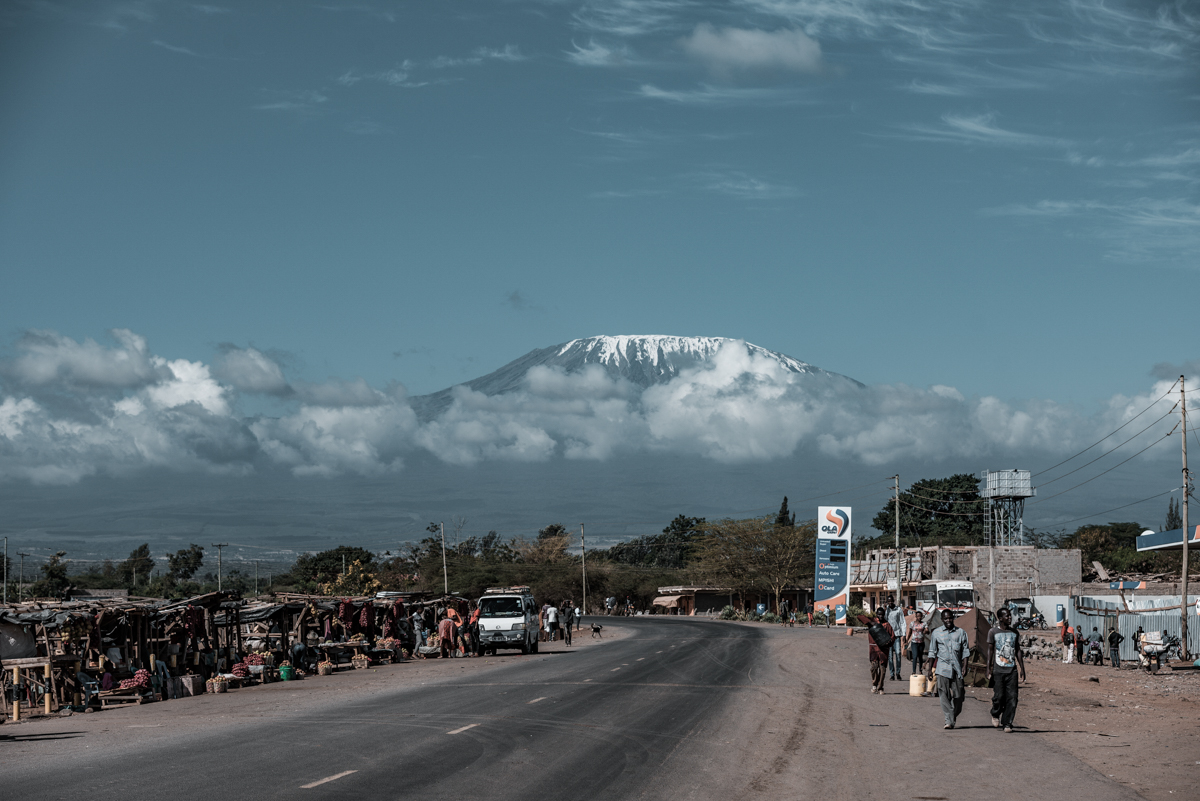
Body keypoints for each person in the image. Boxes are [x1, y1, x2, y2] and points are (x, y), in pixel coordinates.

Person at [926, 609, 970, 729]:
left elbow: (965, 652)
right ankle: (948, 720)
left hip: (957, 669)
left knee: (959, 696)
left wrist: (965, 666)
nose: (948, 620)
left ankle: (952, 716)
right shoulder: (936, 633)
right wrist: (930, 670)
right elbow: (932, 652)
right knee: (943, 694)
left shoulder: (961, 633)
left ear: (953, 618)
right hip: (942, 669)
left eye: (950, 618)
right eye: (945, 619)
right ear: (942, 620)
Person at [987, 607, 1026, 733]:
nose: (1010, 617)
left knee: (1012, 697)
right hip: (998, 670)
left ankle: (1007, 723)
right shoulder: (993, 632)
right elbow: (990, 651)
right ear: (1000, 618)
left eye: (1010, 615)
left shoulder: (1014, 633)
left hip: (1011, 670)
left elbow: (1018, 651)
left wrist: (1022, 668)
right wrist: (988, 668)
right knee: (999, 696)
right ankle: (995, 713)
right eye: (1007, 616)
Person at [856, 611, 893, 695]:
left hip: (883, 650)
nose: (881, 616)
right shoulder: (872, 621)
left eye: (882, 614)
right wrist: (871, 622)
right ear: (876, 614)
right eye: (879, 614)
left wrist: (889, 643)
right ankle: (874, 685)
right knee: (874, 667)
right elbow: (859, 616)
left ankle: (880, 687)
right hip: (874, 649)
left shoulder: (887, 625)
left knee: (882, 669)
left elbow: (892, 637)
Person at [905, 610, 929, 684]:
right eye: (917, 616)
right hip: (914, 643)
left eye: (920, 616)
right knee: (915, 656)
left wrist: (925, 631)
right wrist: (907, 640)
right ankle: (914, 671)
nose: (919, 617)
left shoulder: (924, 623)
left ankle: (920, 670)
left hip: (921, 643)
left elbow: (927, 630)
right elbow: (909, 632)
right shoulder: (912, 624)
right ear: (915, 616)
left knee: (920, 657)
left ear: (922, 617)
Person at [887, 600, 907, 681]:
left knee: (898, 653)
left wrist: (904, 634)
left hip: (897, 635)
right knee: (890, 656)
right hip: (888, 636)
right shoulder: (887, 610)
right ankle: (892, 674)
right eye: (888, 601)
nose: (890, 602)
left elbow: (902, 622)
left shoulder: (898, 610)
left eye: (891, 600)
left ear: (893, 601)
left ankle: (898, 673)